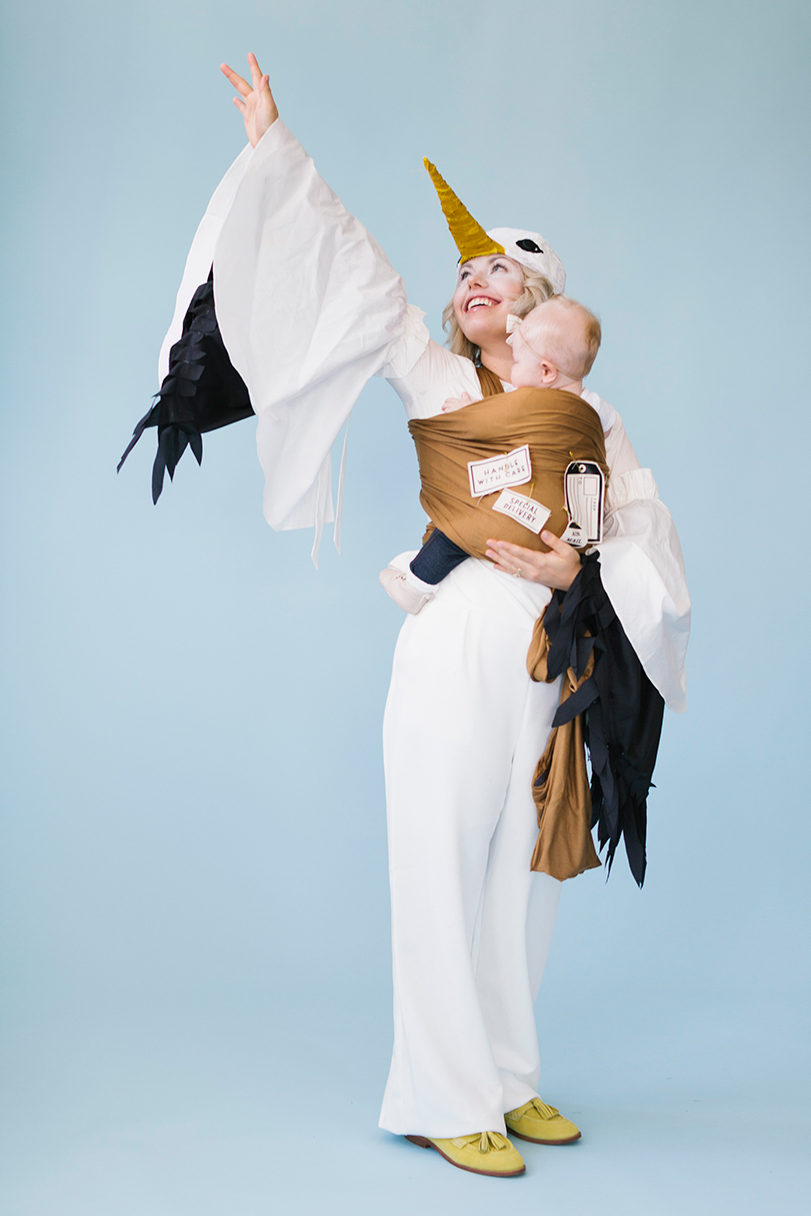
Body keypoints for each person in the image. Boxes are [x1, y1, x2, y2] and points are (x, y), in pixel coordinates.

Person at [149, 53, 690, 1178]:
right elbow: (348, 263)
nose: (473, 280)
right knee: (441, 860)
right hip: (452, 645)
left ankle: (508, 1079)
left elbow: (627, 527)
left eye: (500, 269)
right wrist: (273, 146)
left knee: (524, 869)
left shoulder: (588, 415)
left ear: (540, 307)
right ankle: (444, 1097)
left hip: (547, 653)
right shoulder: (436, 379)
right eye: (466, 271)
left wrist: (573, 567)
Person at [380, 296, 605, 614]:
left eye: (518, 362)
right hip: (569, 535)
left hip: (522, 520)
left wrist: (469, 410)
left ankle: (416, 584)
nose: (514, 368)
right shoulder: (590, 413)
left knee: (458, 526)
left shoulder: (529, 401)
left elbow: (491, 423)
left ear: (545, 372)